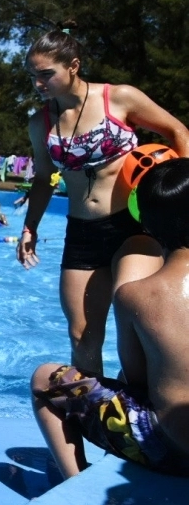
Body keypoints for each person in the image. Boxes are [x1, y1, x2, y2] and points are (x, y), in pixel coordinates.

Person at [18, 22, 189, 374]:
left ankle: (143, 405)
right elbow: (44, 178)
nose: (38, 84)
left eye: (46, 74)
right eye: (32, 76)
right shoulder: (42, 123)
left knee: (139, 318)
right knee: (82, 335)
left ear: (73, 66)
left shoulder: (119, 98)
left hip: (133, 226)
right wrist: (29, 228)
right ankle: (96, 412)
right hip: (82, 232)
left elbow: (177, 130)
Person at [31, 159, 189, 480]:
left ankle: (75, 480)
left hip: (170, 450)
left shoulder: (134, 295)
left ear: (144, 222)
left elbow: (136, 379)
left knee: (44, 379)